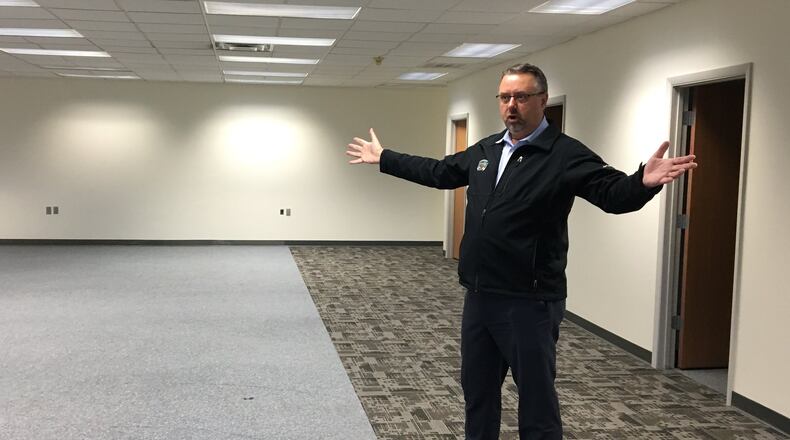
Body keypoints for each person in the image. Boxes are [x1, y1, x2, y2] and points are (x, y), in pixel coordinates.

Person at [345, 63, 697, 440]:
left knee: (536, 401)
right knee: (478, 395)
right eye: (505, 97)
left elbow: (611, 194)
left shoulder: (564, 155)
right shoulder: (486, 150)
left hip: (529, 302)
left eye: (522, 97)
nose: (512, 105)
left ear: (542, 101)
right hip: (479, 296)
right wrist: (385, 158)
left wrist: (642, 182)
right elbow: (440, 172)